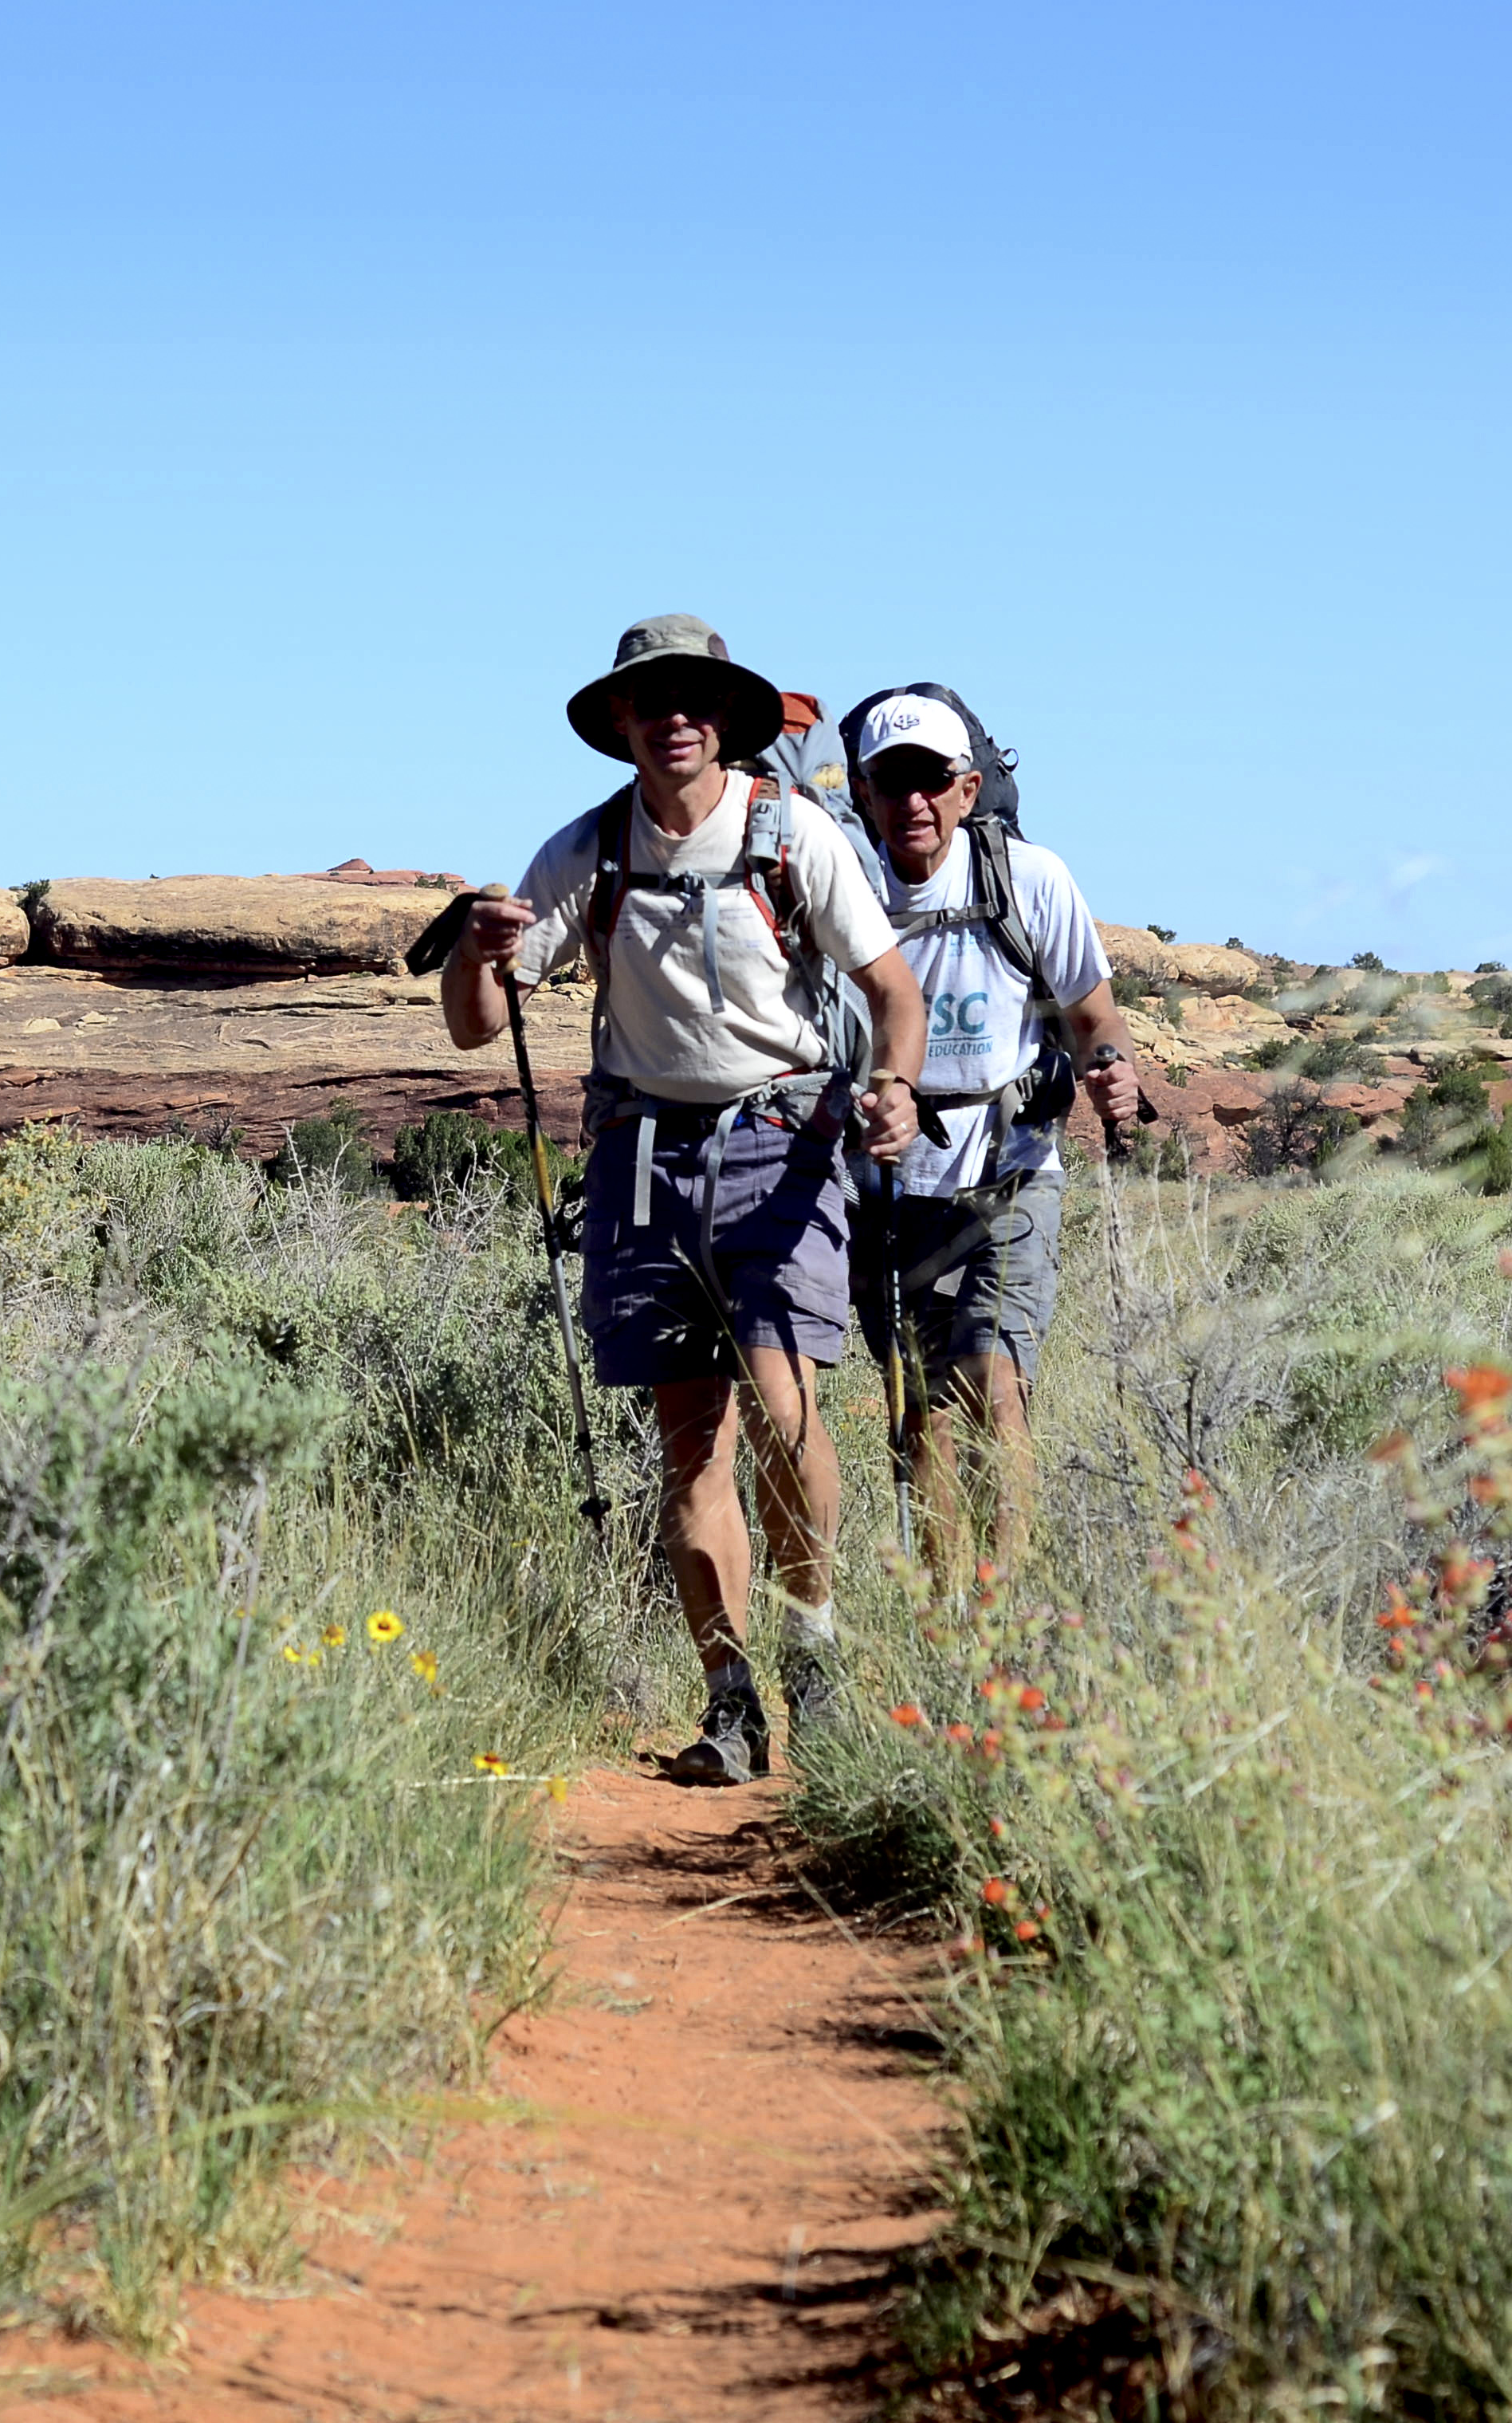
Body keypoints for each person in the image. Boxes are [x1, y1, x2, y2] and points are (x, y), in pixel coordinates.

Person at [441, 616, 926, 1785]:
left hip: (779, 1142)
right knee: (688, 1438)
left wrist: (896, 1087)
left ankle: (812, 1655)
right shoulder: (584, 851)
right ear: (618, 723)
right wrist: (476, 948)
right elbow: (477, 1024)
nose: (675, 719)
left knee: (784, 1409)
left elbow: (890, 991)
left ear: (727, 720)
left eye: (695, 701)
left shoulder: (790, 833)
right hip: (642, 1159)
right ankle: (732, 1704)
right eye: (651, 702)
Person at [846, 688, 1141, 1566]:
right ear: (862, 792)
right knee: (926, 1404)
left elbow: (1096, 1020)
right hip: (888, 1188)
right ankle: (949, 1629)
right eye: (890, 782)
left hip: (1011, 1171)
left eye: (931, 781)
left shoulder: (1028, 880)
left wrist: (1111, 1072)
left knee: (994, 1380)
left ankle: (1004, 1613)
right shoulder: (840, 888)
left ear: (967, 789)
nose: (912, 804)